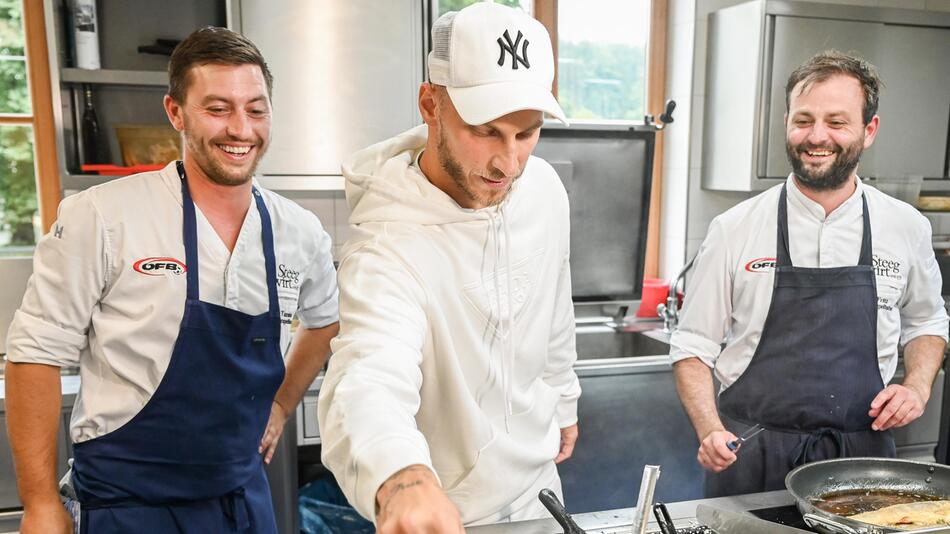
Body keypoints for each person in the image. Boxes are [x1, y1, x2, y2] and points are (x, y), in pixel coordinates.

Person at [4, 27, 340, 533]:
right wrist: (40, 503)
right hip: (129, 506)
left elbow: (323, 323)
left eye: (256, 108)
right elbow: (35, 354)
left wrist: (281, 404)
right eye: (218, 108)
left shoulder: (299, 231)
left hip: (243, 501)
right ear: (176, 112)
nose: (241, 129)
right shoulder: (102, 216)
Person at [317, 2, 581, 531]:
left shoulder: (545, 188)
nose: (508, 163)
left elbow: (554, 304)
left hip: (541, 496)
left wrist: (564, 397)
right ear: (430, 103)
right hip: (443, 512)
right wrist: (402, 478)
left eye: (526, 132)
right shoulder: (388, 244)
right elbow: (369, 374)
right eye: (485, 130)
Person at [670, 50, 949, 498]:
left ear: (869, 129)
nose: (817, 136)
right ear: (786, 123)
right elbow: (692, 345)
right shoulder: (735, 228)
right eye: (804, 120)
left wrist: (915, 385)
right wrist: (708, 428)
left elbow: (928, 322)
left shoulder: (905, 226)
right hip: (751, 456)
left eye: (837, 122)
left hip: (864, 458)